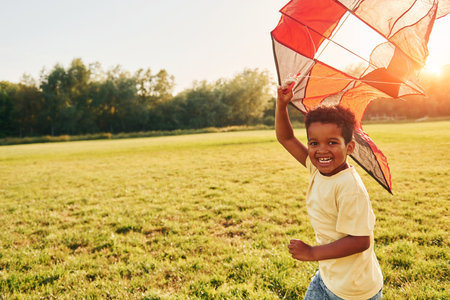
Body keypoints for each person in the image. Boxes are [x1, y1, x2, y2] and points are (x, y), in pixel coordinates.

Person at [275, 86, 383, 300]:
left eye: (332, 142)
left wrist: (312, 253)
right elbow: (286, 138)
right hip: (328, 277)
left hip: (354, 290)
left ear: (349, 147)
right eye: (314, 143)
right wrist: (281, 104)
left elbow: (361, 240)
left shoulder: (349, 187)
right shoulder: (316, 167)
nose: (321, 150)